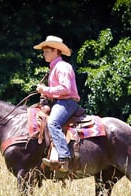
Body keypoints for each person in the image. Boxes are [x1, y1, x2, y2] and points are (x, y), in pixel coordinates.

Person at [34, 35, 80, 172]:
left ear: (55, 51)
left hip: (67, 102)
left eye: (46, 51)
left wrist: (45, 90)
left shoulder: (62, 67)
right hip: (60, 102)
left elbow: (65, 88)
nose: (43, 54)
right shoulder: (54, 68)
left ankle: (64, 158)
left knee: (52, 123)